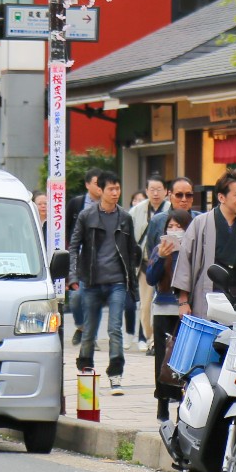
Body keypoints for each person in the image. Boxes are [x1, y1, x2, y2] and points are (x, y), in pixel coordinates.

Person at [71, 169, 139, 389]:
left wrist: (133, 284)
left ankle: (116, 372)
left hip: (117, 281)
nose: (115, 192)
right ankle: (86, 368)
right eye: (111, 188)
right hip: (91, 281)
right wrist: (72, 275)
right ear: (100, 190)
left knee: (114, 328)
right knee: (89, 330)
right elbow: (73, 247)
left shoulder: (125, 218)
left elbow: (131, 252)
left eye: (118, 188)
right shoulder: (86, 216)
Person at [172, 170, 236, 323]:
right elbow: (184, 263)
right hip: (208, 296)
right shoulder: (200, 224)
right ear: (221, 197)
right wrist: (183, 301)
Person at [146, 206, 195, 421]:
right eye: (170, 227)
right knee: (162, 358)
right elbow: (150, 279)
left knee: (184, 357)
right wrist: (160, 257)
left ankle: (182, 401)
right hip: (163, 307)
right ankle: (162, 402)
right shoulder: (160, 249)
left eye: (179, 227)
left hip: (186, 309)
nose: (174, 230)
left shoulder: (192, 249)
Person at [128, 175, 167, 349]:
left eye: (159, 189)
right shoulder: (137, 211)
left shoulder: (171, 208)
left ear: (166, 191)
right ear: (146, 191)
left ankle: (158, 341)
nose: (156, 193)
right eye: (152, 189)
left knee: (163, 305)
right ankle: (149, 337)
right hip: (146, 265)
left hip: (168, 265)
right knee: (145, 307)